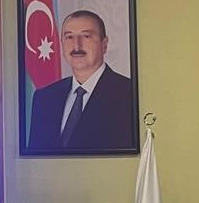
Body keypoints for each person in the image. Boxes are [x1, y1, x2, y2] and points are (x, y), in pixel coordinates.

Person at [26, 9, 134, 151]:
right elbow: (36, 158)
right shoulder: (44, 98)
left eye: (86, 36)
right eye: (69, 37)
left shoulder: (129, 94)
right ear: (61, 43)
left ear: (104, 44)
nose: (76, 46)